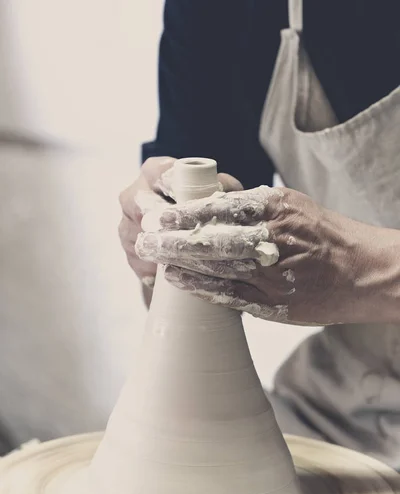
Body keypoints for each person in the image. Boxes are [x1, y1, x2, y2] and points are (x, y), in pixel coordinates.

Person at [118, 0, 400, 468]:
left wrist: (362, 268)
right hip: (343, 406)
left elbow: (354, 268)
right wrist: (168, 250)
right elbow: (182, 280)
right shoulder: (221, 12)